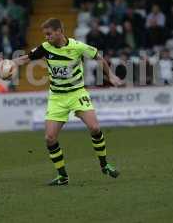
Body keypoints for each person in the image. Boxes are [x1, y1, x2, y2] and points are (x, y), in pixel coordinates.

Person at [12, 18, 122, 186]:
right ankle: (62, 176)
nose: (47, 37)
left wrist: (111, 76)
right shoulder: (45, 48)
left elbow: (98, 57)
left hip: (77, 93)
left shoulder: (77, 46)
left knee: (94, 127)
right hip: (57, 97)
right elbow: (26, 58)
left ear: (59, 31)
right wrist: (10, 63)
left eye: (49, 34)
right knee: (50, 138)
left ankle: (104, 164)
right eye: (45, 34)